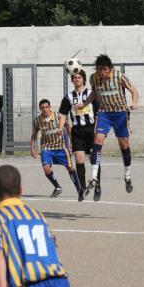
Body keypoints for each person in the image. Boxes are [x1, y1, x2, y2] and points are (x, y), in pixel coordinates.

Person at [77, 54, 139, 198]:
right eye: (99, 69)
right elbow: (94, 93)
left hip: (120, 114)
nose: (102, 72)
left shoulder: (119, 76)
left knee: (124, 145)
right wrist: (84, 104)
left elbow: (134, 91)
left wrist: (134, 103)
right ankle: (94, 177)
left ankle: (127, 175)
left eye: (105, 69)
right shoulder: (93, 78)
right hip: (104, 114)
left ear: (110, 68)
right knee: (97, 141)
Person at [58, 70, 101, 202]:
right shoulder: (68, 97)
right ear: (72, 80)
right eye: (75, 77)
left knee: (94, 159)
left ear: (84, 80)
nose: (77, 79)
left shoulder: (91, 94)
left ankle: (97, 186)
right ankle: (82, 188)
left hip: (91, 129)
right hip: (77, 131)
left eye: (79, 77)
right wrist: (60, 128)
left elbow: (99, 112)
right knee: (79, 159)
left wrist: (98, 130)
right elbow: (63, 114)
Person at [31, 99, 83, 200]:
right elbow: (34, 134)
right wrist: (32, 148)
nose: (45, 109)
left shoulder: (58, 116)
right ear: (40, 109)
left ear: (49, 107)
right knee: (46, 168)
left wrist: (72, 142)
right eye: (42, 108)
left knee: (70, 168)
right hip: (47, 147)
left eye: (46, 107)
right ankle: (57, 187)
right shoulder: (37, 120)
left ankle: (79, 189)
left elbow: (69, 127)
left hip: (61, 146)